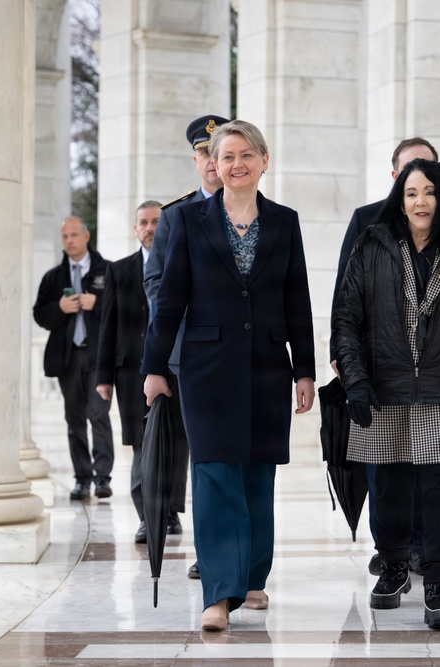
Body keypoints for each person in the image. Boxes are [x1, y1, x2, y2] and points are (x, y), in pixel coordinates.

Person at [142, 119, 316, 632]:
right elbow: (170, 298)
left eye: (247, 154)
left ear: (264, 160)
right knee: (215, 473)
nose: (236, 164)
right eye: (227, 156)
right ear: (212, 165)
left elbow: (297, 300)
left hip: (266, 364)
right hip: (206, 367)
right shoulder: (191, 220)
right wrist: (154, 367)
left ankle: (253, 577)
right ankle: (219, 593)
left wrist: (303, 370)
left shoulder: (285, 221)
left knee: (259, 474)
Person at [331, 158, 440, 630]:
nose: (420, 201)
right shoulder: (372, 246)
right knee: (389, 485)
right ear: (399, 200)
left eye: (428, 192)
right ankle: (393, 565)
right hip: (383, 386)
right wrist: (356, 380)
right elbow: (347, 318)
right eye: (411, 193)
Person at [144, 114, 230, 578]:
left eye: (218, 151)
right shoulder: (175, 215)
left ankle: (232, 551)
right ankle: (209, 551)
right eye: (203, 152)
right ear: (196, 159)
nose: (211, 161)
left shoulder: (252, 211)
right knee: (202, 459)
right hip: (190, 357)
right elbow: (156, 282)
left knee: (232, 459)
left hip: (238, 355)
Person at [95, 200, 189, 543]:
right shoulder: (119, 271)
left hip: (177, 365)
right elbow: (108, 326)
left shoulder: (180, 261)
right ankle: (147, 517)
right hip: (131, 373)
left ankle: (170, 512)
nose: (150, 228)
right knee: (140, 445)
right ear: (135, 229)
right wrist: (103, 376)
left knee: (178, 444)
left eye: (156, 222)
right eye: (143, 223)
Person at [34, 216, 114, 501]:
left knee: (98, 414)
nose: (69, 240)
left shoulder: (108, 271)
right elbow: (39, 314)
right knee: (74, 419)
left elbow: (125, 307)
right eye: (64, 236)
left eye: (73, 235)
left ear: (86, 236)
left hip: (99, 357)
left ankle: (103, 477)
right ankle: (82, 479)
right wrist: (59, 307)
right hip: (68, 358)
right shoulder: (54, 277)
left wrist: (98, 303)